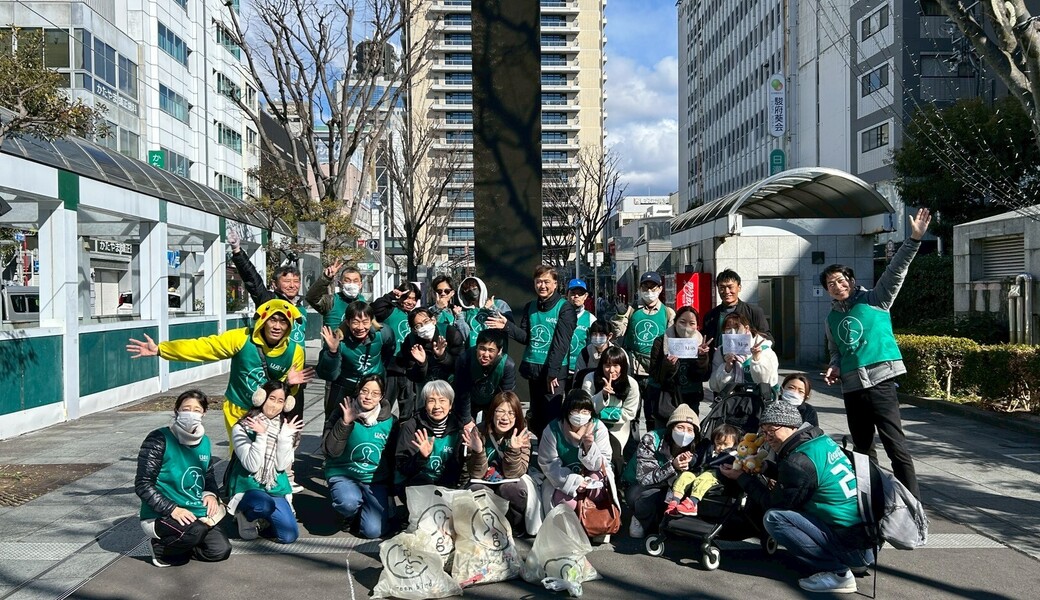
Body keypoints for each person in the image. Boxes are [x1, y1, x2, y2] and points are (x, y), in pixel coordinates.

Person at [822, 208, 931, 500]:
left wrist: (914, 240)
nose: (838, 285)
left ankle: (912, 505)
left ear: (852, 280)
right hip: (852, 387)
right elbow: (837, 350)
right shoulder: (831, 319)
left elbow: (895, 270)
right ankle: (871, 502)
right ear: (826, 290)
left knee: (896, 446)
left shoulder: (875, 300)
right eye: (831, 283)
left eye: (842, 280)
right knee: (862, 449)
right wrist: (834, 366)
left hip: (881, 382)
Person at [719, 401, 874, 594]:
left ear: (791, 426)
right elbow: (803, 479)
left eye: (771, 430)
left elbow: (773, 502)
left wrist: (741, 477)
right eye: (763, 431)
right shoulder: (820, 441)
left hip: (851, 545)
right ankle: (850, 561)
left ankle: (838, 573)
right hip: (865, 541)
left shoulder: (797, 461)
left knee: (774, 518)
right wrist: (765, 467)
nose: (767, 438)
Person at [126, 299, 312, 444]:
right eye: (273, 319)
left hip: (270, 413)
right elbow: (204, 347)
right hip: (238, 408)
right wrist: (161, 350)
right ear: (264, 320)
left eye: (283, 322)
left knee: (265, 457)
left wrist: (290, 385)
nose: (277, 326)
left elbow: (288, 395)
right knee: (240, 457)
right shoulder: (241, 338)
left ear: (289, 326)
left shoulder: (294, 351)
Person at [227, 231, 309, 440]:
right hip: (272, 372)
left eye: (296, 281)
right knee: (272, 422)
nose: (292, 285)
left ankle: (288, 466)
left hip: (294, 374)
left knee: (293, 425)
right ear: (275, 284)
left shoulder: (301, 307)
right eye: (287, 281)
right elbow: (252, 280)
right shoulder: (269, 301)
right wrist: (238, 252)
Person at [134, 390, 231, 567]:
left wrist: (210, 494)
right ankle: (159, 548)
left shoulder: (205, 441)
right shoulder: (159, 438)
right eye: (186, 408)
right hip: (161, 514)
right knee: (195, 531)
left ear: (204, 413)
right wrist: (172, 509)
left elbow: (207, 475)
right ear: (177, 410)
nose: (191, 413)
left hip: (195, 511)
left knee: (220, 550)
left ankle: (184, 546)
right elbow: (143, 484)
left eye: (196, 409)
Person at [488, 265, 577, 437]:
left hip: (553, 374)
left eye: (546, 282)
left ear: (555, 284)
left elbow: (561, 343)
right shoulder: (530, 307)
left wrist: (553, 373)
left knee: (552, 419)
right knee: (537, 419)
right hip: (533, 369)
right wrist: (507, 326)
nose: (542, 286)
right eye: (538, 282)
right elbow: (526, 338)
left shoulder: (565, 308)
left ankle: (551, 458)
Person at [226, 381, 304, 544]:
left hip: (275, 485)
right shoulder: (242, 427)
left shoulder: (286, 428)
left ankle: (264, 519)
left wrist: (284, 438)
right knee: (263, 504)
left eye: (280, 401)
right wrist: (261, 435)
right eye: (271, 398)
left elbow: (281, 466)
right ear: (261, 398)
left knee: (289, 536)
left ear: (286, 405)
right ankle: (246, 515)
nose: (275, 405)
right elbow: (252, 465)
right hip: (250, 485)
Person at [537, 389, 620, 541]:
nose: (580, 415)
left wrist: (588, 446)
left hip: (591, 477)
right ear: (567, 411)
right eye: (575, 410)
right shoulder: (553, 429)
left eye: (585, 410)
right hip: (562, 479)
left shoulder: (598, 427)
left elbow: (603, 461)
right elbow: (548, 462)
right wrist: (573, 482)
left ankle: (596, 524)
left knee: (597, 489)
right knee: (567, 502)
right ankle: (573, 530)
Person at [322, 374, 397, 539]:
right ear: (358, 391)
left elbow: (392, 459)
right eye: (364, 391)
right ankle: (350, 514)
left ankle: (364, 511)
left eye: (375, 393)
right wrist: (345, 423)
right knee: (348, 502)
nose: (368, 397)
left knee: (373, 532)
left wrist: (391, 493)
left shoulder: (390, 421)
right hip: (344, 474)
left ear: (382, 396)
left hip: (374, 480)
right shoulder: (341, 411)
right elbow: (330, 450)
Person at [462, 391, 542, 536]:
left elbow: (515, 473)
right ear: (492, 413)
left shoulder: (521, 434)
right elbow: (475, 474)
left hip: (509, 479)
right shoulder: (478, 431)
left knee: (513, 489)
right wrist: (478, 451)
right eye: (500, 411)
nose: (505, 417)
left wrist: (513, 450)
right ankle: (482, 528)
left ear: (517, 415)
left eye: (511, 413)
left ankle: (514, 526)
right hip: (485, 479)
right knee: (476, 489)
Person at [622, 404, 701, 539]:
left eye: (690, 429)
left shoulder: (696, 448)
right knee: (647, 496)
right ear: (671, 428)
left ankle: (669, 524)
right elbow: (644, 479)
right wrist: (672, 466)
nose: (685, 433)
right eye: (680, 427)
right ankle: (640, 518)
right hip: (638, 486)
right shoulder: (651, 439)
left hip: (673, 488)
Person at [613, 271, 675, 432]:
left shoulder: (668, 313)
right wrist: (620, 315)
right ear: (640, 289)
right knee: (631, 413)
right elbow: (618, 333)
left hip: (655, 371)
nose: (649, 291)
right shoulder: (631, 310)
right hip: (633, 369)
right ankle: (632, 449)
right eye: (645, 287)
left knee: (653, 414)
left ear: (660, 289)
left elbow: (672, 341)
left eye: (652, 287)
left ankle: (651, 446)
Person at [316, 302, 396, 418]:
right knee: (335, 422)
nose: (360, 327)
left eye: (365, 322)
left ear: (371, 321)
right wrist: (332, 352)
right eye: (355, 322)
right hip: (344, 387)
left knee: (375, 422)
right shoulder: (337, 340)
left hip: (372, 385)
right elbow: (328, 375)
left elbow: (389, 351)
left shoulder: (383, 333)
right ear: (347, 322)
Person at [394, 380, 466, 491]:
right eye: (431, 401)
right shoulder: (411, 427)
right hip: (414, 485)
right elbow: (402, 467)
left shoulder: (458, 430)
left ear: (450, 405)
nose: (437, 406)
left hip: (445, 487)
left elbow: (459, 469)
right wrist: (421, 457)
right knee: (422, 481)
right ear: (425, 404)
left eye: (442, 401)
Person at [581, 346, 640, 473]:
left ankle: (616, 486)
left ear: (623, 367)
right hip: (592, 425)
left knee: (615, 457)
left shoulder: (632, 384)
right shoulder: (590, 379)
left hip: (617, 428)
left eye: (616, 366)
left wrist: (601, 414)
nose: (611, 370)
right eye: (607, 365)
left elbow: (629, 413)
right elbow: (585, 407)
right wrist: (602, 395)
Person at [648, 306, 713, 419]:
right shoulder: (661, 341)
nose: (686, 327)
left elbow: (704, 376)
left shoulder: (701, 343)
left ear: (697, 326)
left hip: (691, 397)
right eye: (682, 322)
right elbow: (655, 374)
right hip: (668, 398)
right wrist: (668, 364)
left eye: (691, 323)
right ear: (675, 322)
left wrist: (702, 357)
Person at [372, 282, 423, 424]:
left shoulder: (416, 315)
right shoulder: (390, 310)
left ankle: (403, 438)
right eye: (407, 298)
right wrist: (390, 296)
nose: (410, 302)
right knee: (383, 406)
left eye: (414, 299)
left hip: (408, 367)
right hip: (390, 367)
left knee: (408, 408)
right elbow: (375, 309)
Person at [666, 423, 740, 517]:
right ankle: (674, 501)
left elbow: (735, 465)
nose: (720, 447)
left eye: (725, 445)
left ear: (734, 444)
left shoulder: (732, 455)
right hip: (698, 471)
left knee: (705, 477)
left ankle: (692, 503)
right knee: (685, 476)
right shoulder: (707, 447)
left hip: (717, 475)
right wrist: (690, 460)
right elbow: (696, 458)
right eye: (718, 442)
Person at [701, 270, 772, 360]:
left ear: (739, 287)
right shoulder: (710, 316)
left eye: (730, 287)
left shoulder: (754, 312)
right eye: (722, 287)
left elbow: (768, 338)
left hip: (746, 364)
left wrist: (756, 348)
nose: (726, 291)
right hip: (718, 364)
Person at [452, 328, 517, 424]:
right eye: (482, 349)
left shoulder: (507, 365)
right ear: (476, 347)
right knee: (464, 429)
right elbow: (462, 393)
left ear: (499, 351)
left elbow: (506, 396)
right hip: (469, 399)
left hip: (493, 400)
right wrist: (467, 422)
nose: (486, 355)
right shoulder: (465, 359)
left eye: (491, 350)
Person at [708, 312, 779, 395]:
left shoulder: (764, 349)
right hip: (732, 402)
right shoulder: (721, 351)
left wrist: (757, 359)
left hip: (759, 402)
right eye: (728, 328)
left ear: (747, 328)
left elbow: (768, 382)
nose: (732, 332)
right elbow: (714, 386)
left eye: (736, 327)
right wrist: (727, 368)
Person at [397, 307, 465, 386]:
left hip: (449, 382)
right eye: (418, 326)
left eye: (426, 322)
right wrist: (421, 364)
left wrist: (442, 356)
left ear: (433, 320)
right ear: (414, 330)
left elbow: (460, 365)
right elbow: (412, 375)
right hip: (425, 384)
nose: (424, 327)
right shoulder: (410, 341)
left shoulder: (450, 332)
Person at [305, 260, 366, 332]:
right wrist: (326, 278)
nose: (351, 284)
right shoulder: (331, 301)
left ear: (360, 285)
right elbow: (311, 298)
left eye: (355, 281)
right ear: (340, 284)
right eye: (347, 280)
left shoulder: (363, 302)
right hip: (334, 342)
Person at [455, 275, 514, 347]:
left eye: (474, 288)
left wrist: (493, 309)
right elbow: (466, 337)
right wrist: (459, 317)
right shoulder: (464, 312)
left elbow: (510, 328)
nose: (471, 291)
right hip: (474, 354)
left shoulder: (499, 304)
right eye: (467, 290)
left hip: (497, 353)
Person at [565, 278, 596, 391]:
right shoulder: (559, 315)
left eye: (580, 293)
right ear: (567, 294)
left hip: (581, 369)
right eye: (573, 293)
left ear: (585, 296)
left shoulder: (591, 319)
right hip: (561, 369)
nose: (576, 296)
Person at [573, 319, 620, 383]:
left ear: (609, 336)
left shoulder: (618, 353)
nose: (597, 337)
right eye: (594, 334)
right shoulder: (585, 353)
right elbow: (578, 378)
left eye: (601, 334)